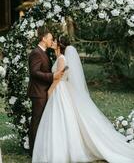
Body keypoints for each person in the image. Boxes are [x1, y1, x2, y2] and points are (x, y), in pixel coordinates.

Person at [32, 35, 134, 163]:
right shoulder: (59, 57)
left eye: (55, 41)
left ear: (59, 45)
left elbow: (58, 78)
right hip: (62, 89)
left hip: (59, 90)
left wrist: (50, 91)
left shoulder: (62, 58)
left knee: (59, 118)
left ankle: (61, 150)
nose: (52, 42)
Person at [27, 26, 64, 156]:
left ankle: (39, 148)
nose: (51, 40)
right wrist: (52, 76)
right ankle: (33, 151)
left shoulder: (44, 52)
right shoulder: (36, 53)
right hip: (38, 92)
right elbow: (35, 72)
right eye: (50, 38)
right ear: (43, 38)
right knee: (36, 121)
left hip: (43, 91)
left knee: (41, 120)